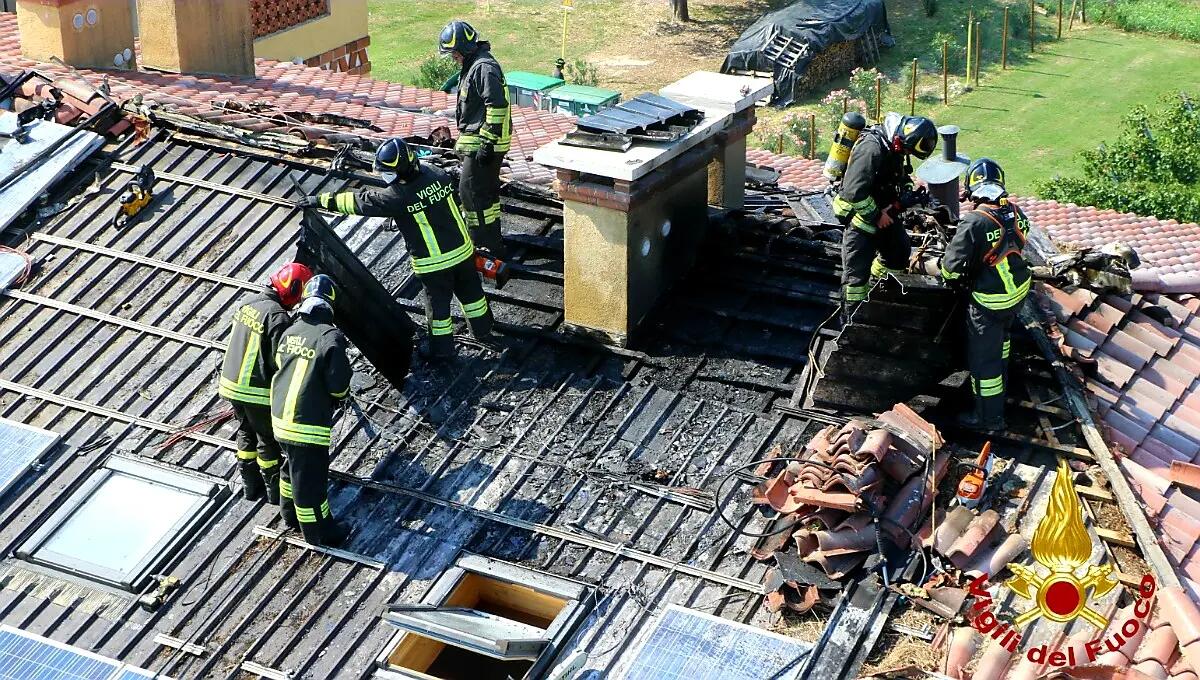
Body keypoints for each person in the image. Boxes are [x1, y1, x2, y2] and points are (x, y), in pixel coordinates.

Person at [301, 137, 494, 361]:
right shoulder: (436, 173)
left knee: (439, 312)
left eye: (388, 173)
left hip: (434, 264)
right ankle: (483, 331)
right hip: (463, 252)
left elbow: (360, 202)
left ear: (401, 169)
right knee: (473, 296)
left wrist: (320, 199)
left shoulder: (398, 196)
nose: (386, 178)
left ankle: (442, 352)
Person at [940, 158, 1032, 432]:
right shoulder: (1016, 213)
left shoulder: (974, 221)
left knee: (985, 363)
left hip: (990, 301)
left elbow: (950, 270)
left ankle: (988, 419)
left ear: (973, 189)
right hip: (1017, 294)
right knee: (1001, 347)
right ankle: (1002, 388)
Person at [218, 262, 312, 503]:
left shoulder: (247, 302)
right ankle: (273, 494)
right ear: (291, 289)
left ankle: (250, 489)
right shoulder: (278, 318)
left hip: (231, 385)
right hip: (255, 390)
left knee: (245, 432)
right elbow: (281, 361)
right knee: (266, 440)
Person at [270, 275, 353, 547]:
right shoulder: (331, 337)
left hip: (281, 419)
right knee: (311, 484)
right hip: (307, 425)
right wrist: (339, 396)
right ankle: (318, 532)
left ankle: (289, 514)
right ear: (329, 305)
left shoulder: (290, 331)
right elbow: (338, 384)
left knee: (290, 467)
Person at [832, 112, 938, 321]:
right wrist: (876, 215)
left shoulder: (894, 145)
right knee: (855, 279)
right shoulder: (871, 148)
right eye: (906, 150)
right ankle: (851, 322)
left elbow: (899, 174)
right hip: (858, 217)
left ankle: (877, 288)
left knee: (899, 252)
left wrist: (907, 192)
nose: (906, 153)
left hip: (883, 210)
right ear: (901, 139)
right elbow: (854, 192)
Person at [440, 19, 511, 258]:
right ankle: (493, 241)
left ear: (464, 49)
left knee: (470, 193)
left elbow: (497, 105)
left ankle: (481, 244)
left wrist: (488, 143)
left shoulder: (483, 68)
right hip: (480, 141)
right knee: (486, 195)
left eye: (454, 53)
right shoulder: (474, 65)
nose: (453, 58)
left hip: (485, 144)